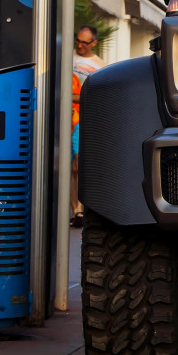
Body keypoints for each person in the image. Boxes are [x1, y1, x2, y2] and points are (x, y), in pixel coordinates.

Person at [71, 26, 106, 225]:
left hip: (82, 119)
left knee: (78, 163)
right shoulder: (67, 57)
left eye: (85, 42)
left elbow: (94, 95)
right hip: (64, 117)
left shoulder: (100, 66)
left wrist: (73, 96)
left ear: (94, 43)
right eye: (78, 40)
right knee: (66, 166)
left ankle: (80, 208)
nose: (80, 45)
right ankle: (74, 209)